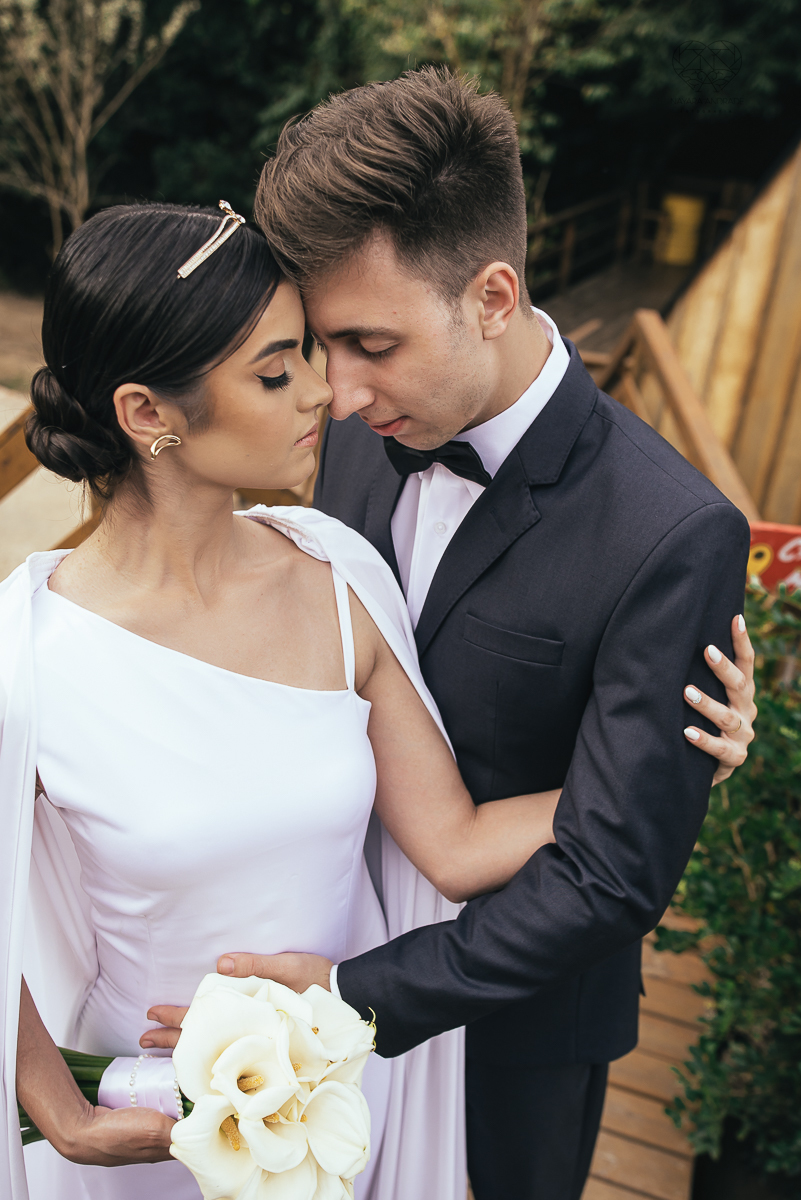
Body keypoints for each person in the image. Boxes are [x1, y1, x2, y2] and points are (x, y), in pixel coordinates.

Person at [151, 69, 757, 1200]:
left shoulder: (672, 533)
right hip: (289, 961)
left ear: (491, 294)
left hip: (510, 1034)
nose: (336, 396)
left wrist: (358, 1000)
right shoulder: (351, 432)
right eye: (325, 348)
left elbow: (613, 873)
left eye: (372, 344)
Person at [6, 199, 581, 1200]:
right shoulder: (29, 655)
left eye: (309, 353)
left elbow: (451, 843)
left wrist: (667, 751)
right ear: (149, 415)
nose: (326, 392)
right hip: (148, 1128)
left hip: (333, 1112)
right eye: (277, 372)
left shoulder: (337, 576)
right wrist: (57, 1108)